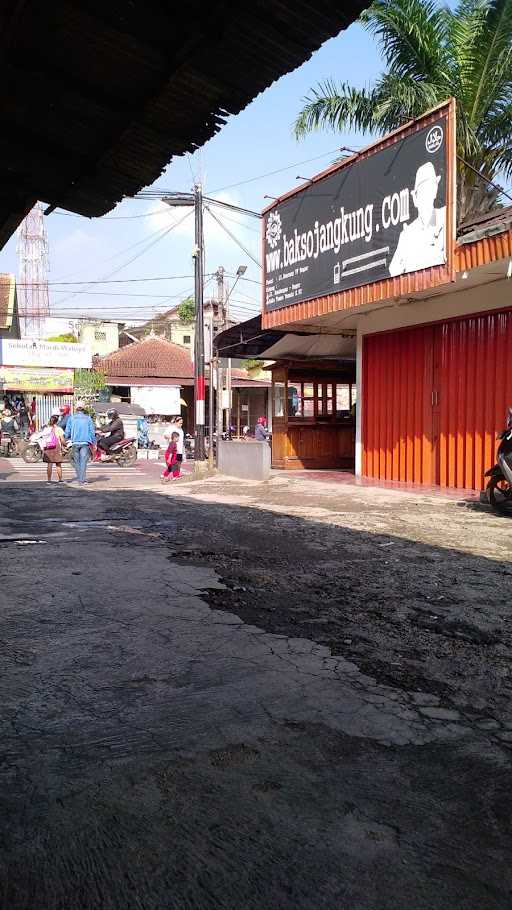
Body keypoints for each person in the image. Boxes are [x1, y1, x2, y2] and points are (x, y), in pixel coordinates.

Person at [389, 161, 446, 277]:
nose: (426, 195)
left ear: (435, 191)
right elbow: (394, 270)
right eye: (422, 191)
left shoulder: (444, 216)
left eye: (430, 189)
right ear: (415, 198)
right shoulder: (407, 234)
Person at [64, 400, 96, 485]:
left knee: (77, 462)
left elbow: (67, 431)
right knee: (83, 462)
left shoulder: (72, 418)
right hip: (85, 443)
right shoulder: (88, 418)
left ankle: (80, 479)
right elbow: (92, 432)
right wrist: (94, 443)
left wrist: (64, 439)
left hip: (75, 442)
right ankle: (82, 480)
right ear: (84, 408)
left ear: (76, 408)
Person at [39, 415, 66, 483]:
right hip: (56, 447)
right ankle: (60, 479)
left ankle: (49, 480)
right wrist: (65, 445)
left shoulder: (46, 429)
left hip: (48, 447)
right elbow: (62, 439)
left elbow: (43, 437)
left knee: (49, 464)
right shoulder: (59, 429)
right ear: (57, 421)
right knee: (58, 464)